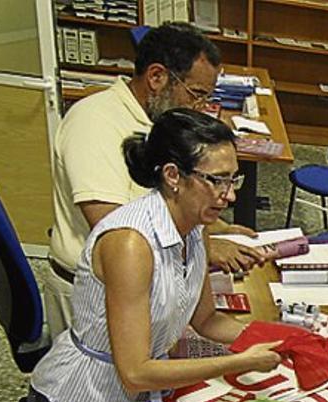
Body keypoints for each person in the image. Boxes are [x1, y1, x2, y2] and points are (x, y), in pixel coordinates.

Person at [28, 109, 282, 402]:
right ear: (173, 176)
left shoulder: (195, 224)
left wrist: (280, 340)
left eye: (233, 179)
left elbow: (206, 320)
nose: (229, 195)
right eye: (217, 180)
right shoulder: (131, 245)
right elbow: (135, 372)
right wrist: (240, 362)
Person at [46, 22, 269, 339]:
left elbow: (167, 200)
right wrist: (205, 246)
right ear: (156, 77)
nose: (201, 108)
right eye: (196, 95)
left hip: (147, 284)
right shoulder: (93, 120)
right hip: (95, 294)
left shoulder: (157, 121)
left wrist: (216, 228)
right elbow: (111, 227)